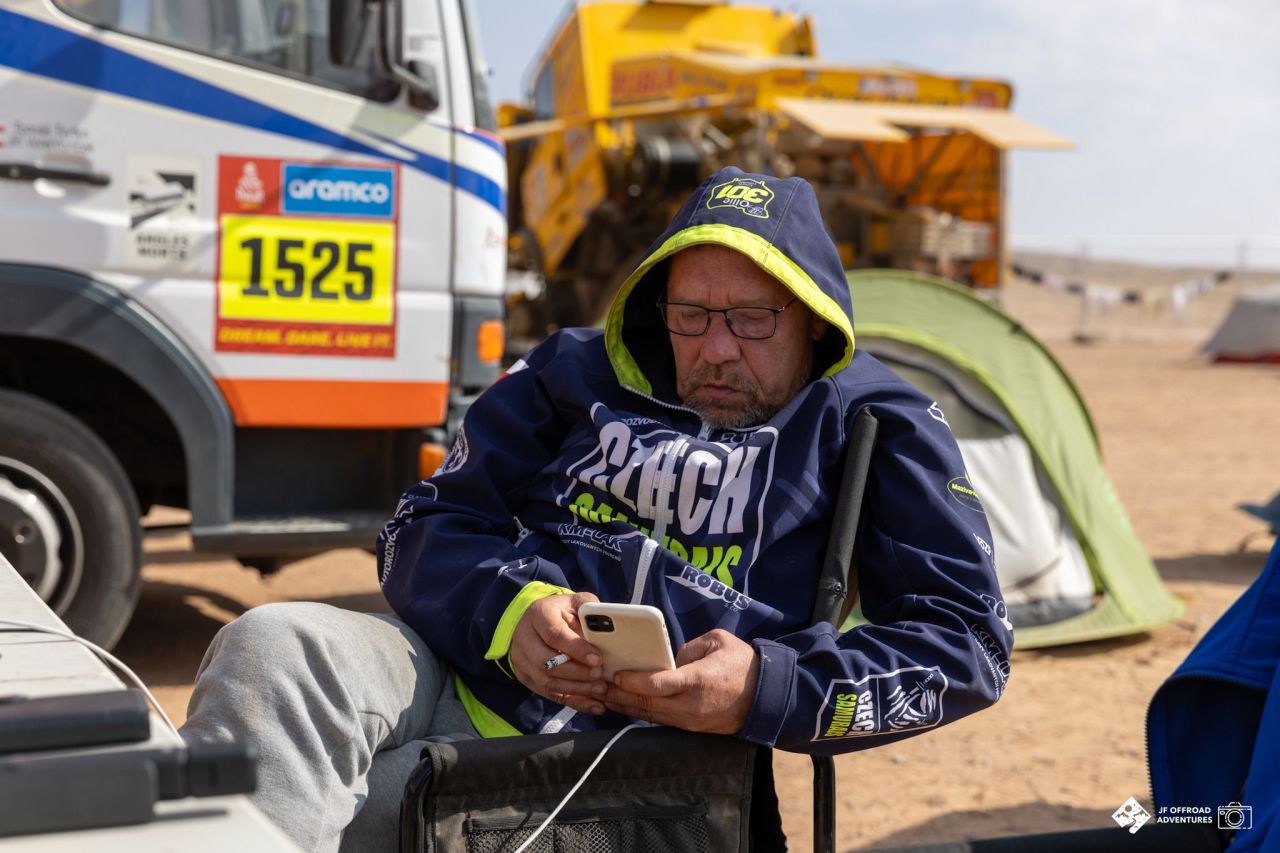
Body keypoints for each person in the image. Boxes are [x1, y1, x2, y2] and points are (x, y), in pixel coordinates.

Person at [181, 167, 1011, 852]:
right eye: (690, 315)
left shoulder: (877, 420)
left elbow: (968, 644)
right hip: (457, 666)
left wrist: (766, 685)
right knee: (267, 645)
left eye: (754, 319)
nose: (717, 347)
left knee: (366, 812)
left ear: (813, 317)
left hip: (633, 767)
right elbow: (419, 525)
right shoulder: (573, 369)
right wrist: (515, 612)